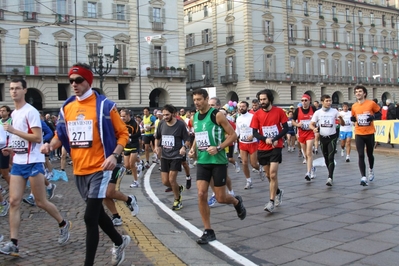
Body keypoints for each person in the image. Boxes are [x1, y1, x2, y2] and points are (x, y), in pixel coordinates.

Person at [40, 63, 130, 266]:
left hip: (100, 168)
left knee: (89, 217)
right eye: (71, 80)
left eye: (78, 80)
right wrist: (49, 146)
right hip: (79, 169)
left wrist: (114, 155)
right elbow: (60, 136)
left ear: (89, 81)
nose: (74, 84)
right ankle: (119, 240)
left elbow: (123, 133)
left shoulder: (105, 106)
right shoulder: (67, 107)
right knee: (97, 215)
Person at [0, 78, 70, 257]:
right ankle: (14, 243)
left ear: (25, 90)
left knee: (40, 202)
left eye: (17, 88)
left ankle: (63, 223)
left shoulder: (30, 112)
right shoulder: (14, 114)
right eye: (11, 89)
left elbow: (38, 138)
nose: (13, 91)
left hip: (33, 162)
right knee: (14, 201)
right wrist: (12, 149)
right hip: (18, 162)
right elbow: (21, 140)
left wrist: (14, 131)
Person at [188, 88, 246, 245]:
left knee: (221, 198)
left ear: (206, 99)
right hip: (202, 161)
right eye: (194, 100)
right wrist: (193, 149)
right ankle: (208, 231)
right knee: (201, 194)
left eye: (199, 99)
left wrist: (219, 148)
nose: (197, 103)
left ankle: (236, 202)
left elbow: (233, 135)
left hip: (218, 161)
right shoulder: (195, 117)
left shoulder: (217, 115)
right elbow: (198, 135)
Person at [250, 89, 288, 213]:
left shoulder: (279, 111)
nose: (262, 102)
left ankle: (271, 201)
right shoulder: (257, 114)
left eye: (264, 99)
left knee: (273, 174)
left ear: (270, 99)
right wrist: (265, 138)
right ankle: (278, 191)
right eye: (260, 100)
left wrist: (276, 138)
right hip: (262, 147)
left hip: (275, 147)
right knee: (268, 175)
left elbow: (285, 128)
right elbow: (254, 132)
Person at [155, 104, 190, 210]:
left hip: (176, 156)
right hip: (165, 156)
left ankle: (177, 200)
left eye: (167, 114)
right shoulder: (161, 124)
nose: (165, 117)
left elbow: (188, 140)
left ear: (173, 114)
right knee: (165, 182)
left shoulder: (180, 125)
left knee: (171, 179)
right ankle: (178, 188)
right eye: (164, 114)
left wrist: (184, 147)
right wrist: (157, 146)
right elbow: (157, 137)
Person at [310, 95, 344, 186]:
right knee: (326, 158)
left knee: (330, 157)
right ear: (322, 102)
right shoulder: (318, 113)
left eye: (330, 101)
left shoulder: (334, 111)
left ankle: (330, 177)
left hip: (332, 137)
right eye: (327, 101)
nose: (329, 102)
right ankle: (329, 173)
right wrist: (314, 129)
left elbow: (342, 124)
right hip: (323, 137)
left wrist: (341, 119)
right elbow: (311, 124)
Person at [350, 85, 381, 186]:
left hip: (370, 133)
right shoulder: (354, 106)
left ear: (364, 93)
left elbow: (379, 114)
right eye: (356, 92)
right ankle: (363, 177)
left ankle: (371, 169)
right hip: (359, 133)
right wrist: (353, 119)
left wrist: (372, 117)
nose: (358, 93)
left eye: (360, 91)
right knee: (360, 155)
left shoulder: (371, 103)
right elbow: (353, 117)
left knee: (369, 154)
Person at [235, 101, 263, 189]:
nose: (241, 108)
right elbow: (237, 131)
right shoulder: (238, 118)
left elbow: (259, 129)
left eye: (243, 106)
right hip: (242, 143)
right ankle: (249, 181)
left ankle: (260, 169)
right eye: (240, 106)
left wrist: (253, 135)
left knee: (254, 164)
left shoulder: (252, 116)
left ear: (247, 107)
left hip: (253, 143)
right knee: (244, 163)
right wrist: (231, 137)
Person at [292, 94, 317, 181]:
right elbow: (292, 121)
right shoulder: (298, 110)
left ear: (309, 101)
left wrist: (315, 126)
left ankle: (308, 172)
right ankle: (312, 167)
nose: (304, 102)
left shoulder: (313, 109)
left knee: (309, 152)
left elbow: (317, 118)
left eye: (305, 100)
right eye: (302, 100)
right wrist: (297, 124)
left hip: (310, 133)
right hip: (301, 133)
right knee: (305, 154)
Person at [120, 109, 141, 188]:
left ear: (128, 115)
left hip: (134, 145)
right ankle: (139, 163)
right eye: (121, 116)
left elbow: (138, 134)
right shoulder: (121, 123)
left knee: (132, 164)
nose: (122, 118)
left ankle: (136, 181)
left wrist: (130, 137)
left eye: (124, 116)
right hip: (126, 146)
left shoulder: (134, 123)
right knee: (127, 166)